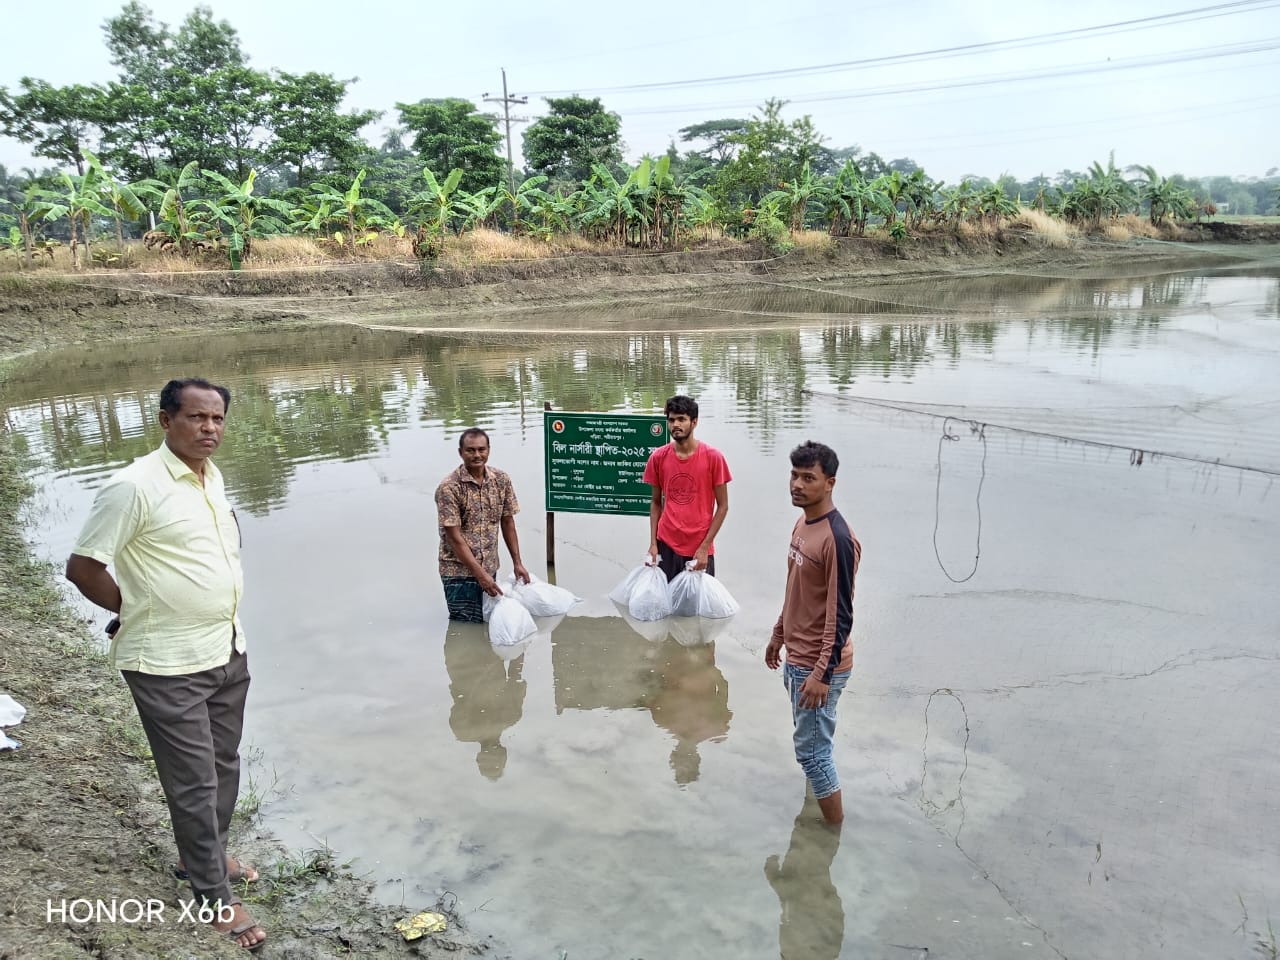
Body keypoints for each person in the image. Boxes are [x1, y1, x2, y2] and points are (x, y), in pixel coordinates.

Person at [65, 378, 266, 952]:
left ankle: (203, 856)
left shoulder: (211, 477)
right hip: (165, 661)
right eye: (197, 417)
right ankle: (213, 897)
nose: (209, 428)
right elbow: (83, 568)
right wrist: (131, 610)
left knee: (223, 765)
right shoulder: (133, 486)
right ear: (165, 420)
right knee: (194, 779)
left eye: (218, 419)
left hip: (225, 647)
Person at [764, 441, 861, 825]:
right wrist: (778, 634)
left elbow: (841, 614)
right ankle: (815, 815)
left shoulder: (838, 539)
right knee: (815, 747)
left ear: (830, 483)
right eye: (794, 476)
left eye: (808, 478)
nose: (797, 485)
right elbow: (796, 590)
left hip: (819, 666)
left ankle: (830, 839)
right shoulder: (803, 524)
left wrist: (822, 673)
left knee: (813, 754)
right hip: (798, 656)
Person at [436, 427, 530, 622]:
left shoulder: (501, 480)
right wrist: (480, 576)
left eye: (481, 449)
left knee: (488, 623)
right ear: (461, 452)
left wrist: (517, 563)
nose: (477, 455)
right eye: (470, 450)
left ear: (489, 450)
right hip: (458, 573)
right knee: (465, 626)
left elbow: (508, 521)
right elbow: (454, 538)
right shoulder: (449, 488)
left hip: (489, 568)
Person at [642, 395, 732, 582]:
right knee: (666, 599)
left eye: (681, 419)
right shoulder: (658, 458)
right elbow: (656, 503)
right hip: (666, 544)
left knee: (697, 601)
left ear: (694, 422)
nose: (675, 424)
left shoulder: (713, 458)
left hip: (699, 548)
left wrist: (705, 546)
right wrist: (653, 544)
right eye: (671, 420)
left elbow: (723, 506)